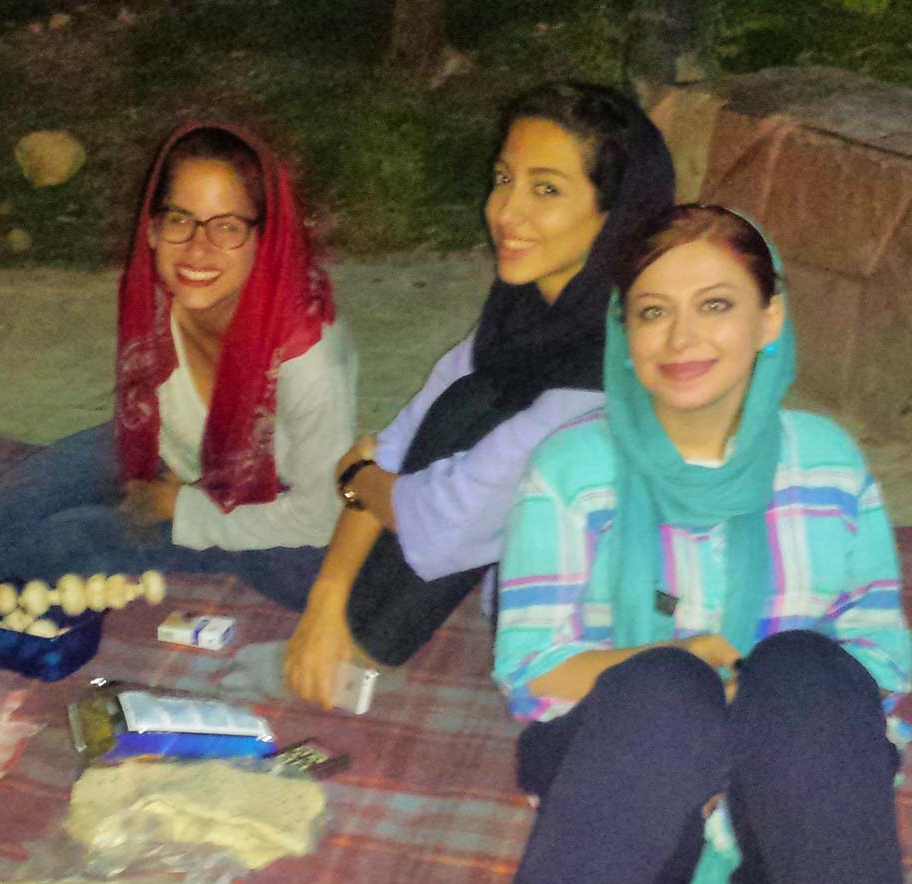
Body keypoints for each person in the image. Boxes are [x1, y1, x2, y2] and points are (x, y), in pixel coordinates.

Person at [415, 205, 912, 884]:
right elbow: (534, 671)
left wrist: (759, 702)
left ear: (772, 318)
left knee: (810, 673)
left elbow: (880, 660)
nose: (682, 338)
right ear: (622, 332)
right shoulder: (575, 467)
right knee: (667, 694)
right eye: (652, 312)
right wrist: (688, 665)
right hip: (625, 820)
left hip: (798, 838)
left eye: (717, 304)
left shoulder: (828, 462)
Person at [284, 82, 674, 703]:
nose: (505, 213)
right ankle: (349, 636)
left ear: (615, 212)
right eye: (503, 179)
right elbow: (397, 443)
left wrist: (360, 478)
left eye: (545, 189)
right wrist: (324, 602)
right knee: (464, 408)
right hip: (521, 578)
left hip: (627, 624)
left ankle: (361, 646)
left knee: (464, 432)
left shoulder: (617, 363)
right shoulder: (523, 312)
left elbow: (442, 523)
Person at [0, 123, 355, 608]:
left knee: (311, 578)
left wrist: (181, 508)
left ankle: (184, 538)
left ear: (264, 239)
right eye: (179, 220)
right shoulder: (157, 296)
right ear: (151, 227)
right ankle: (174, 536)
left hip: (268, 493)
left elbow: (318, 515)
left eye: (227, 226)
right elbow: (141, 419)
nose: (197, 249)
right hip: (160, 448)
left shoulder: (309, 354)